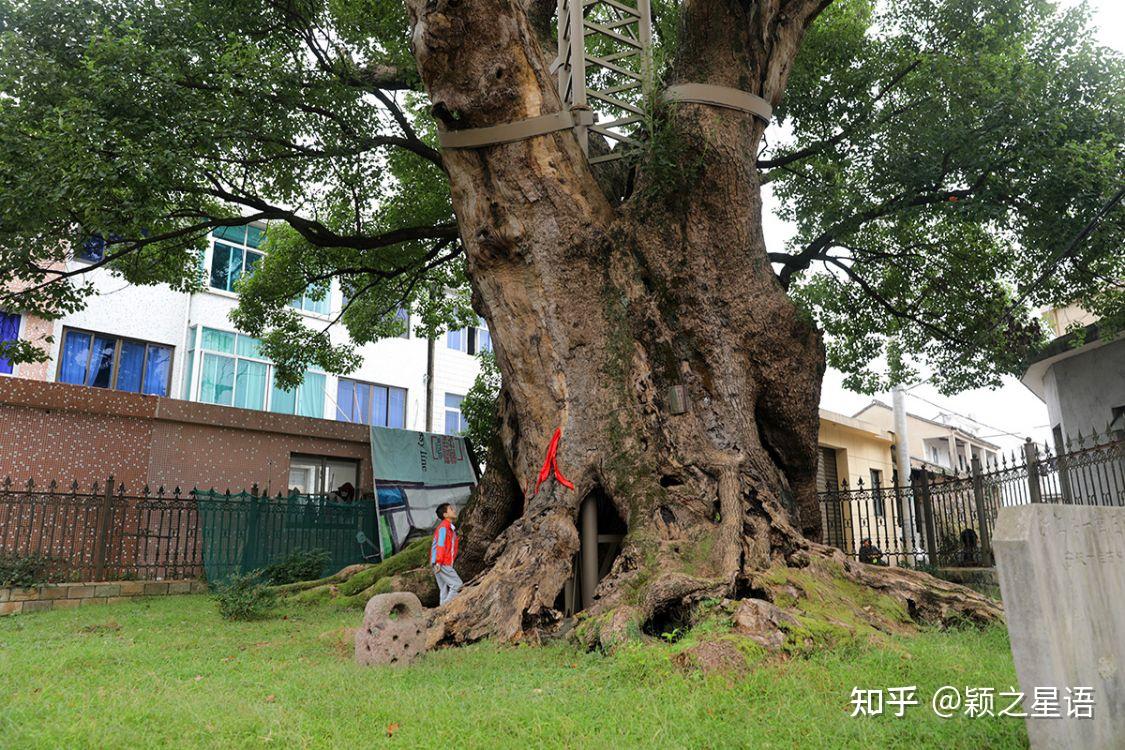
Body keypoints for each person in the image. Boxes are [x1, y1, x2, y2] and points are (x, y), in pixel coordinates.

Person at [431, 503, 462, 605]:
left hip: (439, 562)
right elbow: (440, 545)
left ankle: (440, 613)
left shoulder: (449, 528)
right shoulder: (444, 527)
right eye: (450, 509)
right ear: (445, 515)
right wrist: (439, 562)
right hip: (442, 562)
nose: (453, 510)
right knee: (457, 585)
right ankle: (445, 609)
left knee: (444, 589)